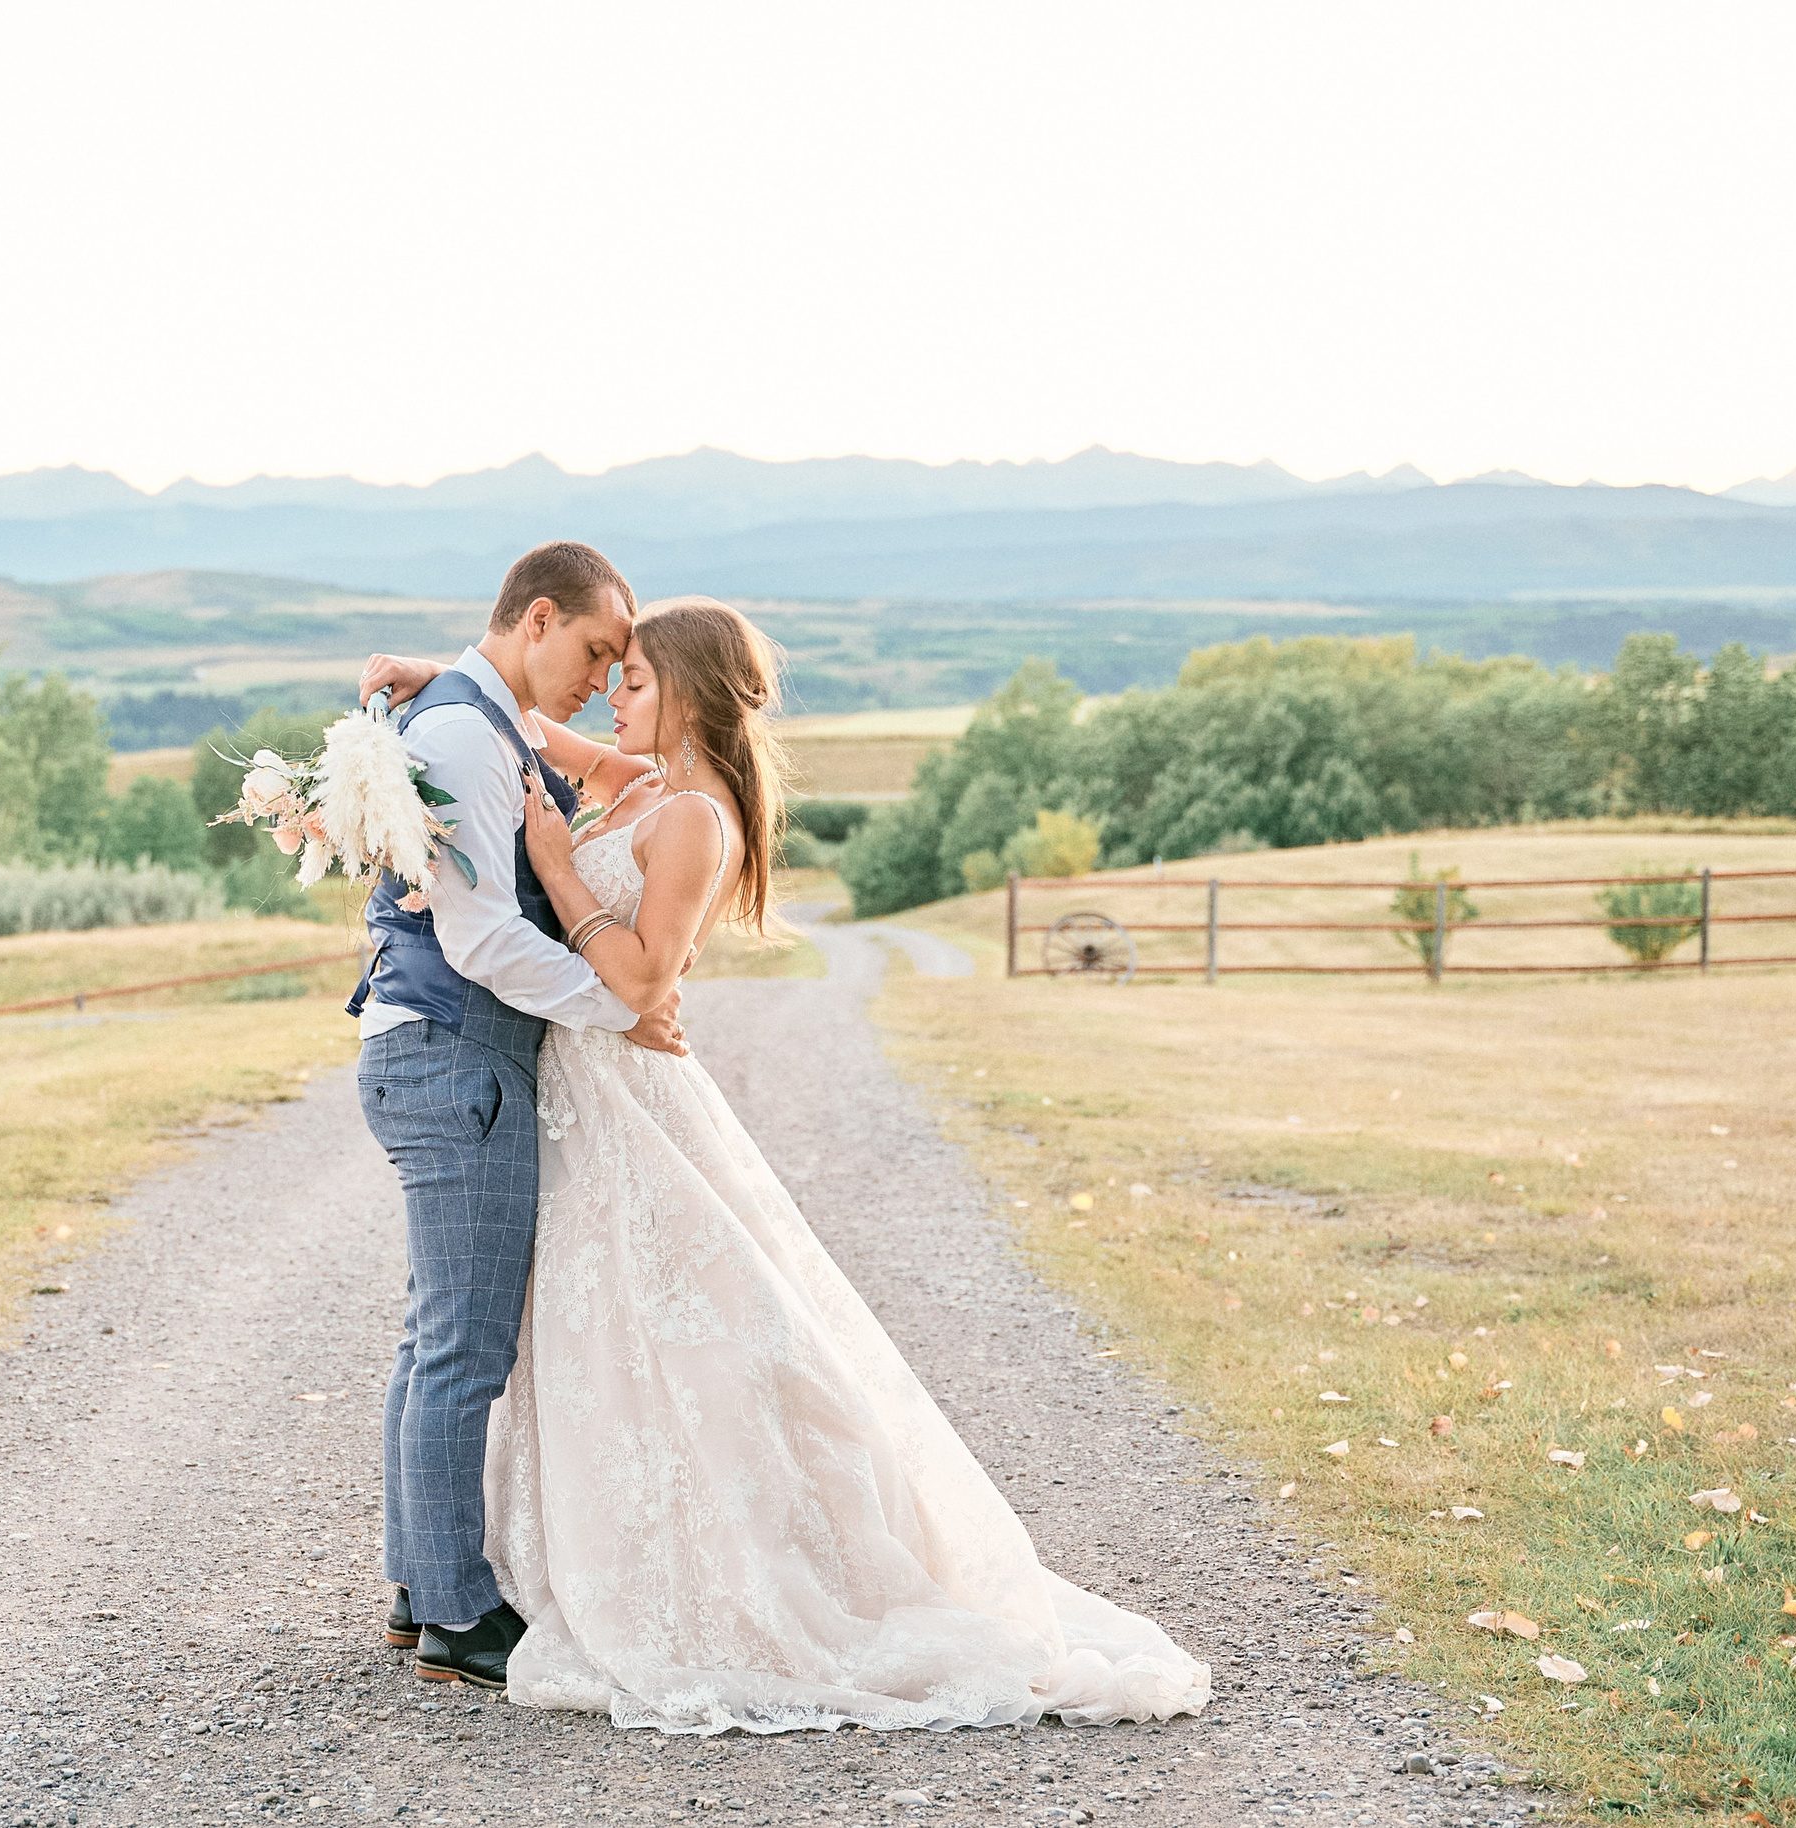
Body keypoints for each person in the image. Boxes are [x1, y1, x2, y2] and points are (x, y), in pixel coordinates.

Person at [359, 599, 1212, 1734]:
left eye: (637, 679)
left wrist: (560, 870)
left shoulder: (696, 819)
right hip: (576, 1093)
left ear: (693, 694)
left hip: (622, 1092)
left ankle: (700, 1569)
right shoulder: (639, 780)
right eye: (612, 671)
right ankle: (481, 1570)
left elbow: (645, 981)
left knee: (668, 1332)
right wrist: (451, 676)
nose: (614, 693)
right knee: (563, 1334)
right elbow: (525, 732)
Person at [347, 540, 690, 1692]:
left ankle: (419, 1586)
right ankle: (457, 1612)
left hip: (438, 1055)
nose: (598, 680)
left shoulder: (480, 719)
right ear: (537, 618)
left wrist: (431, 669)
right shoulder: (462, 734)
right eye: (593, 651)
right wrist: (618, 1007)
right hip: (457, 1057)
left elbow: (543, 740)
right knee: (462, 1349)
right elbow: (482, 936)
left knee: (433, 1339)